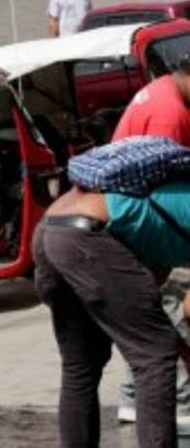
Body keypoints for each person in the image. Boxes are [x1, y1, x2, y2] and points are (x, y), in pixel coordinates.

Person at [34, 155, 190, 447]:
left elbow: (146, 293)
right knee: (154, 358)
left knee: (82, 363)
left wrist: (181, 348)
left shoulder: (166, 208)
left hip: (50, 231)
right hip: (86, 236)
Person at [113, 57, 190, 428]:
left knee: (149, 311)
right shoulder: (169, 116)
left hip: (134, 217)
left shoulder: (161, 89)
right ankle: (182, 400)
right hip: (149, 222)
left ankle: (134, 395)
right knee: (172, 307)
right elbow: (168, 194)